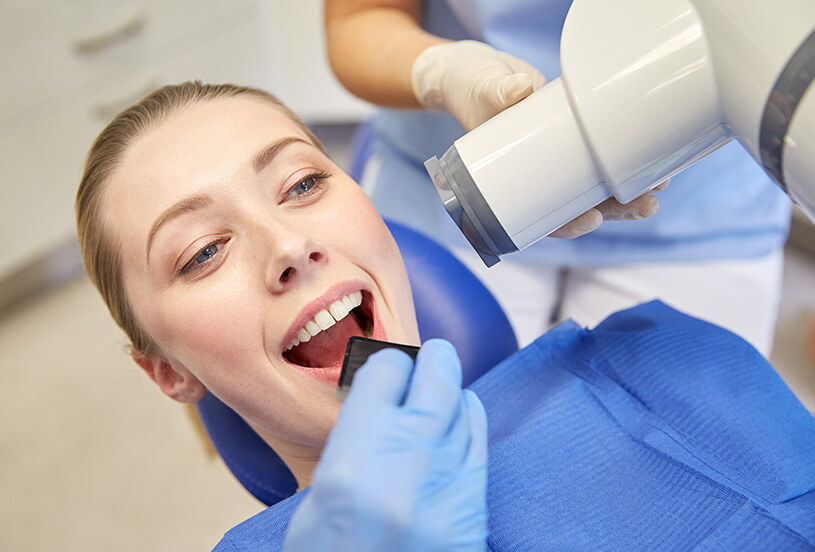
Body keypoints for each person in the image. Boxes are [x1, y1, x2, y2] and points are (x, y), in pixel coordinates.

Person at [75, 82, 814, 551]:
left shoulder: (657, 357)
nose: (290, 246)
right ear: (166, 371)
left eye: (301, 183)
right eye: (202, 252)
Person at [324, 0, 791, 355]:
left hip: (706, 208)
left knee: (687, 463)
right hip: (458, 182)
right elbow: (360, 17)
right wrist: (443, 73)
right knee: (408, 426)